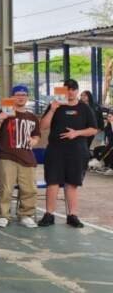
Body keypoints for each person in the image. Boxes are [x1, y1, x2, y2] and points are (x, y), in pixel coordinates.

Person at [38, 79, 98, 228]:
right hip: (55, 151)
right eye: (67, 89)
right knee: (52, 182)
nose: (70, 92)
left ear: (77, 91)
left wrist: (77, 133)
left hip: (77, 151)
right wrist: (52, 109)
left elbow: (93, 129)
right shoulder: (55, 106)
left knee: (72, 183)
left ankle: (72, 215)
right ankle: (49, 214)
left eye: (73, 89)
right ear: (62, 91)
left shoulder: (84, 108)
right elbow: (43, 127)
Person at [0, 85, 40, 229]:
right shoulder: (4, 113)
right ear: (12, 97)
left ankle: (26, 215)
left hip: (27, 157)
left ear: (27, 97)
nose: (21, 97)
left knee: (30, 189)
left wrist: (34, 141)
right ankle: (3, 215)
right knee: (6, 188)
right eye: (18, 94)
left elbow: (36, 135)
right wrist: (0, 119)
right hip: (7, 156)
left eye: (24, 94)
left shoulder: (32, 116)